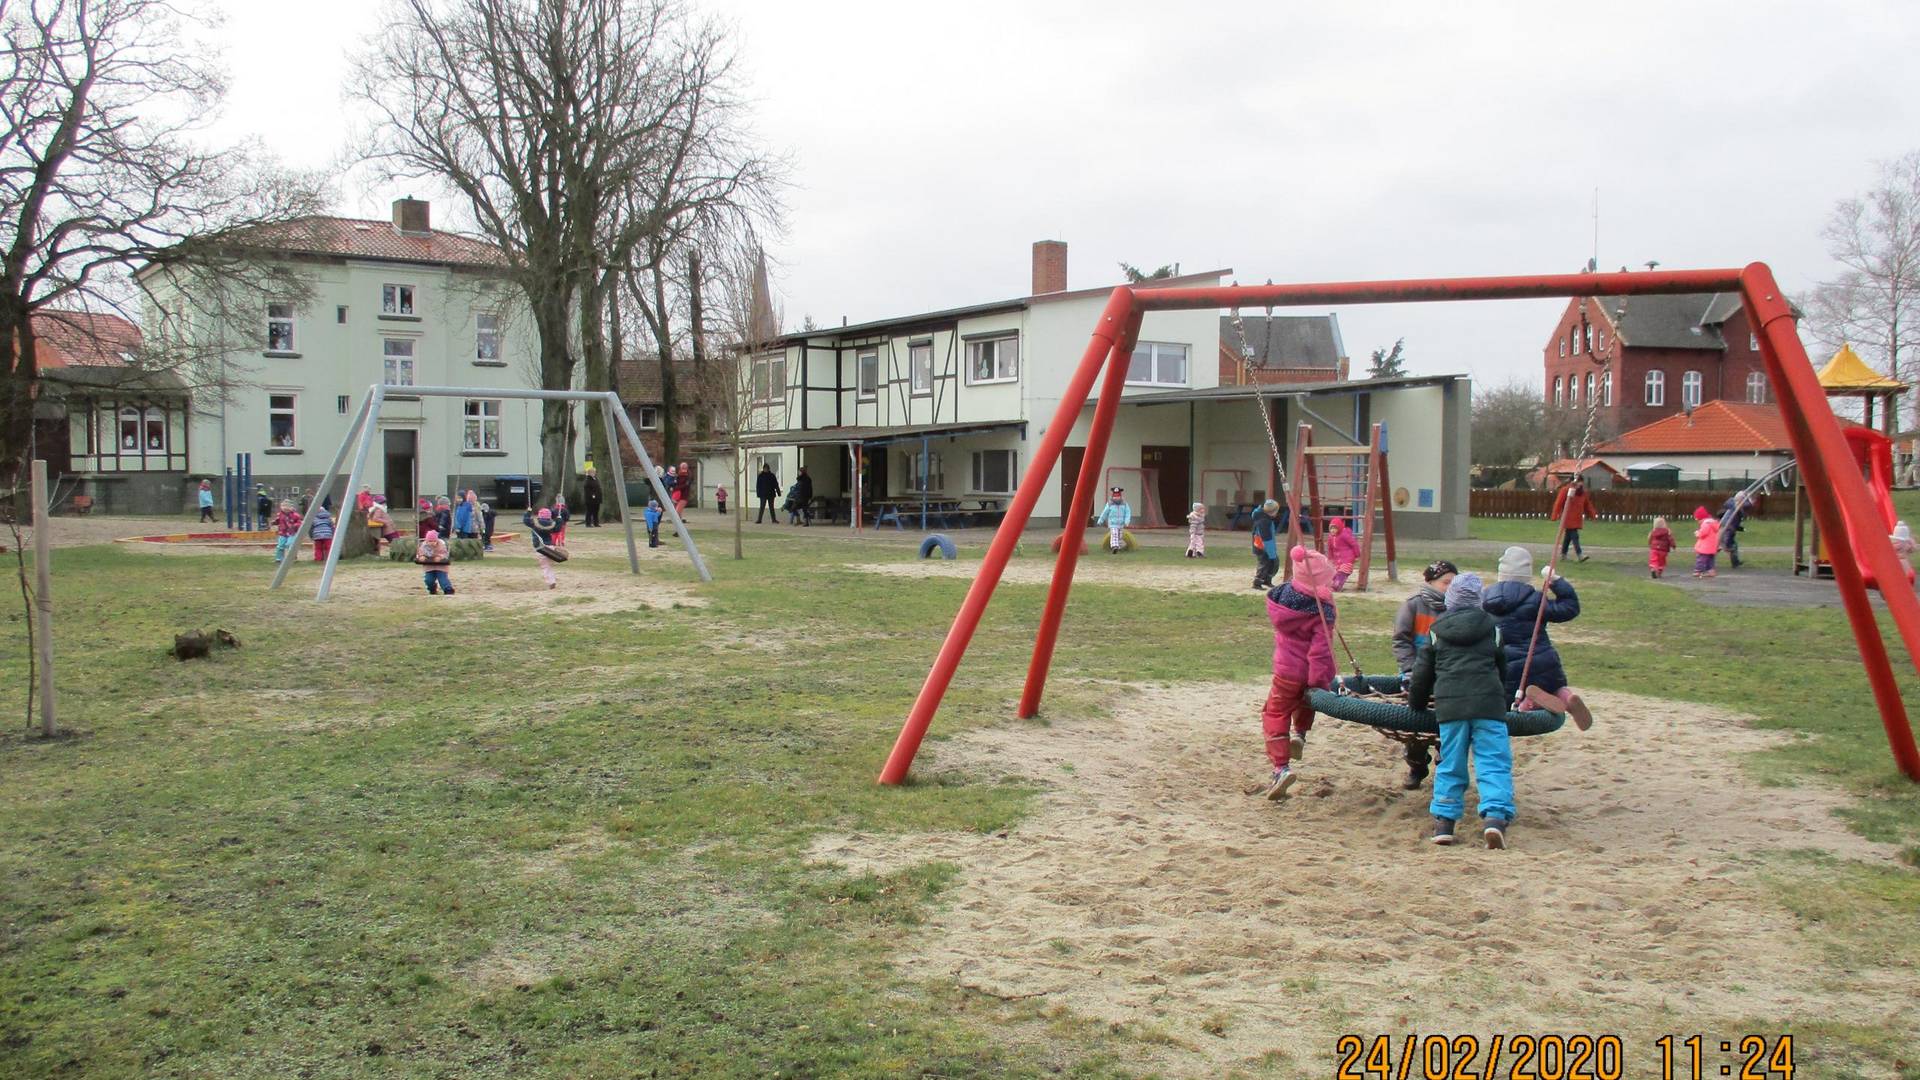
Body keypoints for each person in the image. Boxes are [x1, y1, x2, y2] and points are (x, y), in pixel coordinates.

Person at [1407, 572, 1515, 848]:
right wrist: (1504, 701)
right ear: (1479, 600)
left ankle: (1444, 821)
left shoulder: (1436, 630)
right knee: (1493, 761)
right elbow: (1503, 669)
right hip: (1488, 705)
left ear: (1450, 599)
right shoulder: (1493, 628)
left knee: (1451, 762)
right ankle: (1494, 818)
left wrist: (1416, 704)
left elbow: (1423, 673)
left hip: (1451, 706)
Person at [1479, 546, 1593, 730]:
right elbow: (1570, 608)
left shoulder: (1485, 599)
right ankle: (1567, 697)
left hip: (1506, 664)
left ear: (1501, 573)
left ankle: (1527, 705)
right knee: (1555, 685)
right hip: (1541, 659)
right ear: (1527, 574)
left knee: (1512, 697)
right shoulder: (1535, 599)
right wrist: (1556, 581)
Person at [1258, 545, 1337, 801]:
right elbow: (1320, 653)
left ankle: (1280, 767)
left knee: (1275, 713)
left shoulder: (1282, 597)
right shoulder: (1321, 612)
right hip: (1306, 672)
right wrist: (1319, 683)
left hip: (1285, 670)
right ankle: (1299, 734)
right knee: (1306, 698)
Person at [1391, 559, 1458, 789]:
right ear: (1430, 582)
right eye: (1445, 582)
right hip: (1417, 675)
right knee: (1415, 724)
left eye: (1454, 583)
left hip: (1447, 677)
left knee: (1447, 723)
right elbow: (1401, 639)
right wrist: (1409, 669)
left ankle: (1444, 763)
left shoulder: (1457, 608)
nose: (1450, 587)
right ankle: (1416, 764)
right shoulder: (1414, 606)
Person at [1550, 480, 1597, 562]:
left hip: (1576, 518)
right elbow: (1558, 503)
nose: (1580, 484)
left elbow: (1587, 505)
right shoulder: (1566, 490)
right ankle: (1580, 554)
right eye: (1578, 482)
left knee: (1568, 537)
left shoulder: (1582, 493)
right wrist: (1554, 515)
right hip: (1567, 517)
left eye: (1581, 482)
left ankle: (1563, 555)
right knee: (1574, 536)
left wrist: (1592, 515)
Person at [523, 507, 563, 589]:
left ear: (539, 515)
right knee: (549, 564)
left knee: (546, 566)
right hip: (550, 547)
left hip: (541, 548)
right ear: (549, 517)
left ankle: (551, 582)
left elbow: (525, 520)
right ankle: (552, 578)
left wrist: (528, 512)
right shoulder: (552, 524)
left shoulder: (534, 523)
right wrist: (559, 520)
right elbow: (558, 529)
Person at [1251, 500, 1282, 589]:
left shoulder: (1263, 518)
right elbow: (1266, 539)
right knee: (1265, 564)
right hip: (1262, 547)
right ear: (1272, 512)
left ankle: (1267, 580)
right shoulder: (1264, 522)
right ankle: (1257, 582)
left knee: (1271, 564)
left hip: (1262, 545)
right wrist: (1271, 553)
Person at [1326, 515, 1361, 591]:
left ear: (1339, 528)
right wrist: (1330, 558)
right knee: (1335, 573)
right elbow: (1330, 549)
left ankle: (1337, 586)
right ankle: (1335, 585)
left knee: (1343, 572)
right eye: (1331, 528)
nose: (1333, 530)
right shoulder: (1330, 537)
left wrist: (1357, 555)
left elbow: (1354, 544)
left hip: (1347, 559)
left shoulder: (1344, 535)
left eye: (1335, 528)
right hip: (1338, 560)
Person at [415, 529, 454, 595]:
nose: (432, 543)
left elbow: (444, 553)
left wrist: (440, 557)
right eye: (430, 541)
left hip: (441, 566)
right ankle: (432, 588)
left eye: (434, 541)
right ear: (426, 541)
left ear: (437, 540)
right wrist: (421, 557)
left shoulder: (441, 545)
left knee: (443, 579)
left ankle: (448, 589)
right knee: (428, 580)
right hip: (429, 566)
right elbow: (420, 553)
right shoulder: (423, 546)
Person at [1094, 486, 1132, 553]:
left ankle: (1120, 546)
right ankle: (1114, 546)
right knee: (1114, 534)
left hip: (1121, 524)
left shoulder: (1124, 504)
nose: (1116, 498)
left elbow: (1127, 513)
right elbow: (1105, 512)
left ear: (1120, 496)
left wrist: (1127, 521)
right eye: (1115, 496)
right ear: (1112, 496)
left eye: (1118, 496)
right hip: (1113, 523)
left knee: (1119, 536)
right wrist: (1100, 520)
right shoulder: (1110, 504)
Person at [1691, 506, 1721, 579]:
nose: (1698, 522)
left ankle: (1698, 570)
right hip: (1711, 547)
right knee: (1710, 560)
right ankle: (1711, 571)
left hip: (1705, 547)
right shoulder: (1713, 523)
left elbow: (1703, 533)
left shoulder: (1706, 524)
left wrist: (1697, 533)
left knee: (1701, 559)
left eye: (1698, 520)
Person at [1719, 495, 1748, 569]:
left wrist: (1741, 529)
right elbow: (1727, 503)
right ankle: (1705, 562)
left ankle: (1735, 562)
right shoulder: (1732, 506)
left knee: (1734, 546)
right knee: (1725, 545)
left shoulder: (1739, 511)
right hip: (1726, 528)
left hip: (1730, 529)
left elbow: (1736, 522)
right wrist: (1736, 501)